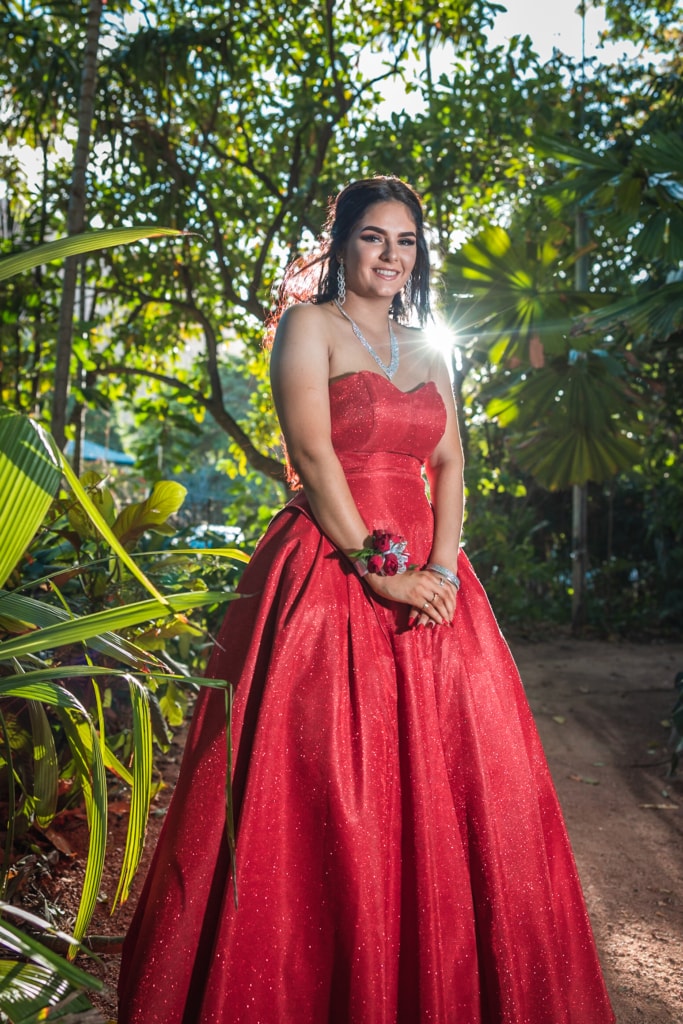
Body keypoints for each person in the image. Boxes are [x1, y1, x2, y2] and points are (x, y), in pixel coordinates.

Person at [117, 176, 615, 1023]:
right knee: (320, 783)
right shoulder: (308, 327)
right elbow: (312, 456)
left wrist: (445, 572)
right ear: (341, 243)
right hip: (328, 569)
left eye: (406, 242)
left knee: (458, 789)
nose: (392, 255)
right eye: (374, 238)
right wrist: (381, 569)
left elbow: (452, 463)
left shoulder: (431, 346)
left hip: (433, 576)